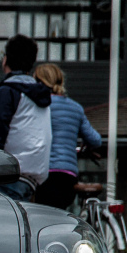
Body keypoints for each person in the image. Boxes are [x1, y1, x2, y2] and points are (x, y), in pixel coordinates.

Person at [0, 34, 52, 202]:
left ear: (5, 60)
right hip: (30, 179)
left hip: (4, 178)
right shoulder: (39, 96)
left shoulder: (8, 91)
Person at [34, 63, 103, 209]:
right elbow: (95, 140)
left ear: (40, 82)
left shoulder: (39, 106)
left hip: (45, 175)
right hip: (68, 176)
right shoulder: (75, 108)